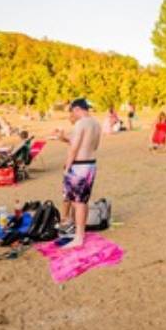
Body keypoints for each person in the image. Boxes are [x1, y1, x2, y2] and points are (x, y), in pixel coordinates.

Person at [57, 98, 102, 248]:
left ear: (77, 109)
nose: (72, 115)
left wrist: (67, 167)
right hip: (90, 164)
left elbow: (75, 147)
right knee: (83, 201)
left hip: (79, 166)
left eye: (72, 111)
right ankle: (79, 233)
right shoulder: (95, 123)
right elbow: (93, 145)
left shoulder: (80, 123)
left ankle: (79, 238)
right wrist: (64, 138)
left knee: (77, 203)